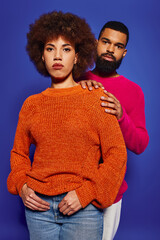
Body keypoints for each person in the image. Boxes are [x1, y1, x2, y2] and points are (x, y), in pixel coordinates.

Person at [7, 13, 127, 240]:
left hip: (83, 209)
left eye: (66, 49)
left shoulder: (95, 98)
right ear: (41, 56)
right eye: (50, 49)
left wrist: (86, 194)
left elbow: (117, 153)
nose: (58, 56)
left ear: (77, 56)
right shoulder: (31, 105)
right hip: (37, 209)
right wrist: (22, 186)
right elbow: (19, 153)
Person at [78, 21, 149, 240]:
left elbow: (140, 144)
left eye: (118, 46)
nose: (110, 49)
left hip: (111, 191)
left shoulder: (134, 92)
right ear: (96, 43)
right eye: (106, 42)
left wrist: (121, 116)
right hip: (73, 185)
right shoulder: (77, 79)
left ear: (124, 53)